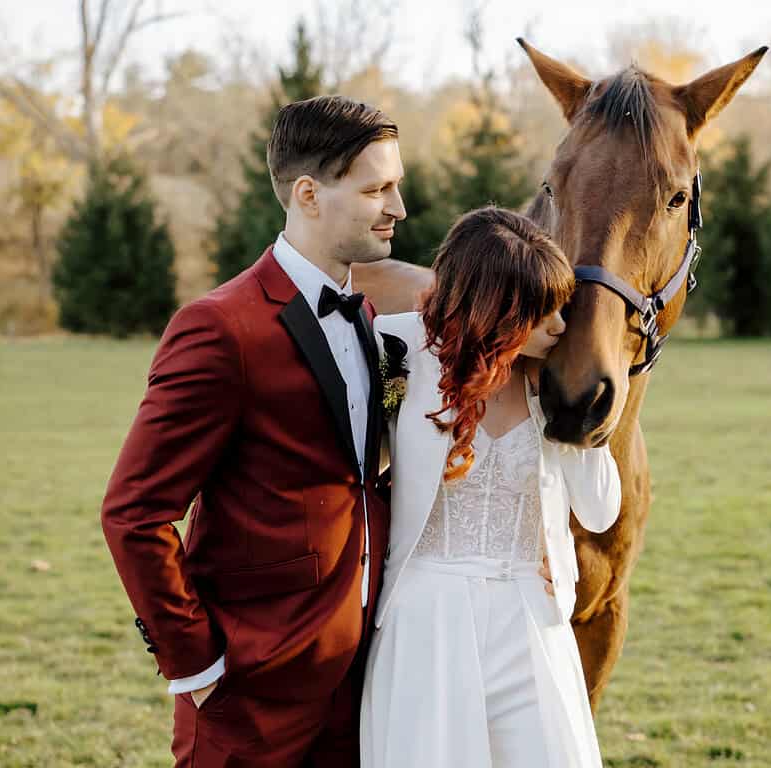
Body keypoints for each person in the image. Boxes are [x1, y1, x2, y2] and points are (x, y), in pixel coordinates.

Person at [101, 94, 407, 767]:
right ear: (308, 194)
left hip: (357, 684)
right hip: (249, 691)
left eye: (397, 186)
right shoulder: (220, 328)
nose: (398, 208)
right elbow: (135, 512)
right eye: (377, 188)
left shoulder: (364, 313)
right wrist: (197, 666)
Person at [361, 206, 622, 768]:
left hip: (531, 615)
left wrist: (585, 418)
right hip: (426, 616)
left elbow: (599, 513)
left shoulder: (551, 377)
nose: (559, 325)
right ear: (494, 308)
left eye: (561, 306)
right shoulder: (397, 351)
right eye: (542, 310)